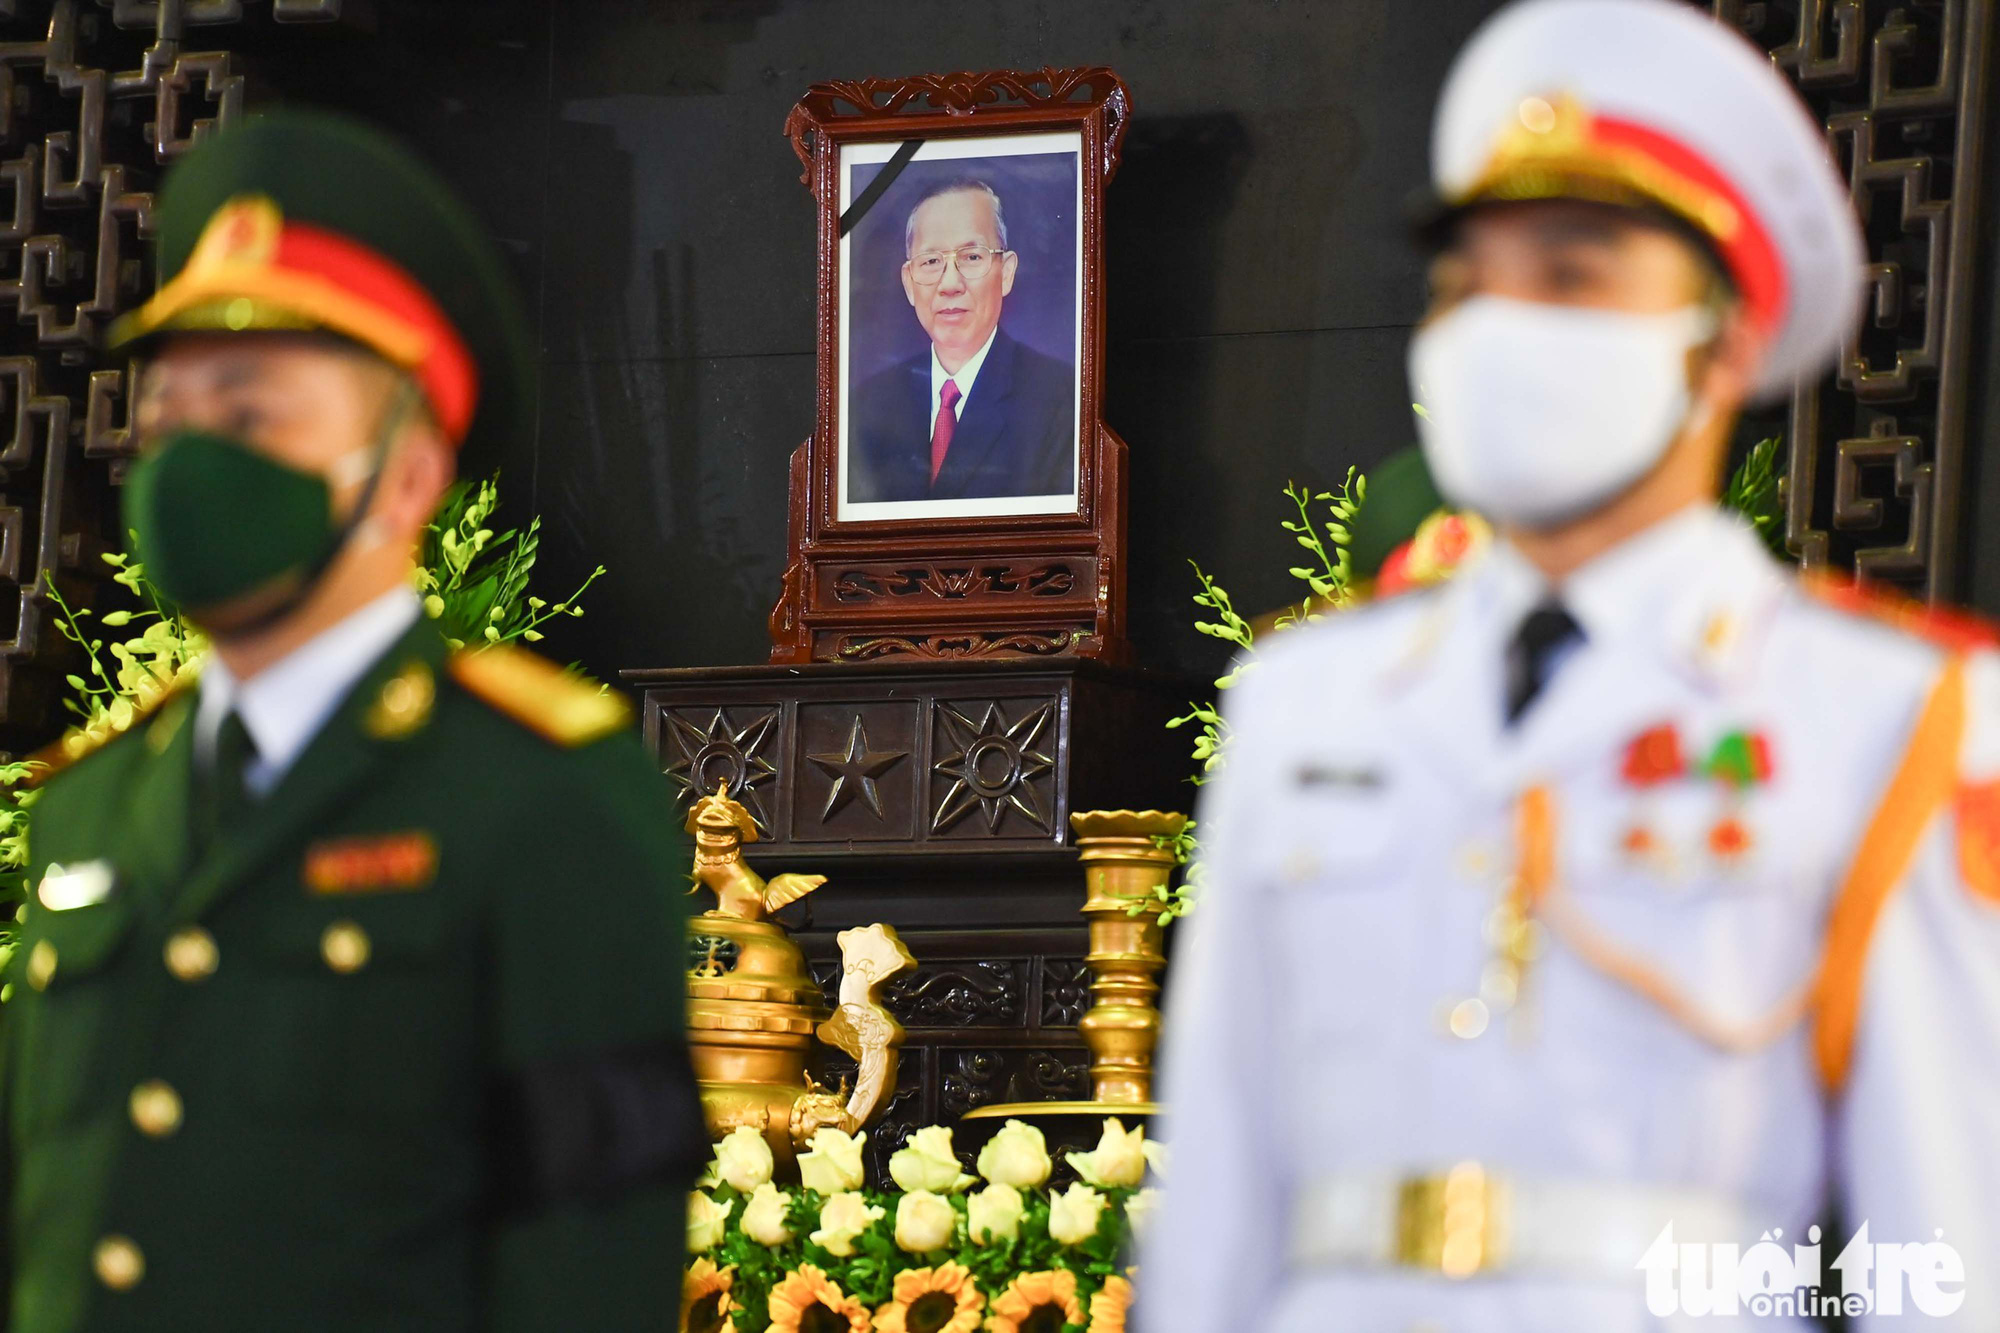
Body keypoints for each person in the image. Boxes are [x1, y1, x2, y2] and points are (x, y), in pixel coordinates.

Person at [1140, 2, 2000, 1330]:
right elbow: (1211, 1217)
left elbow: (1943, 1247)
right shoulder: (1299, 704)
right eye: (1465, 282)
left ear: (1723, 344)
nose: (1498, 327)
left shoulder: (1882, 713)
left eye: (1573, 275)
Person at [2, 109, 706, 1332]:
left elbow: (592, 1257)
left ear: (407, 476)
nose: (187, 461)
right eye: (169, 419)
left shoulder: (540, 797)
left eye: (253, 414)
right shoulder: (88, 803)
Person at [846, 177, 1076, 504]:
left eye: (971, 257)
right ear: (909, 283)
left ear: (1006, 272)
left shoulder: (1060, 400)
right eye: (931, 262)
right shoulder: (867, 406)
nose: (950, 284)